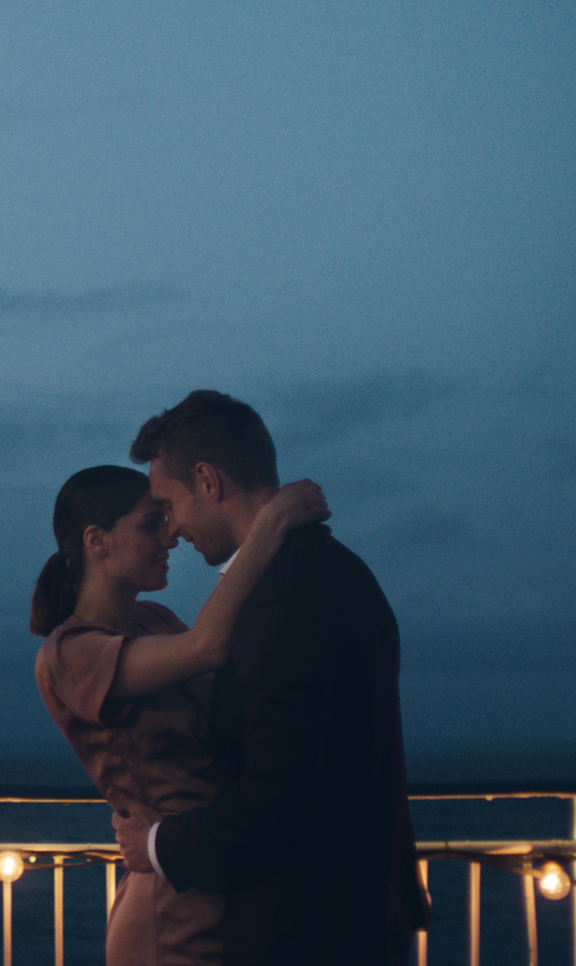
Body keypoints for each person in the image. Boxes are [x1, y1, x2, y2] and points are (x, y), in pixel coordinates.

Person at [110, 390, 431, 966]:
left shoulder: (282, 599)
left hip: (307, 931)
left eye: (169, 504)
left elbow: (278, 799)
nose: (171, 530)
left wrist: (156, 844)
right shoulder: (341, 571)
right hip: (362, 919)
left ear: (208, 481)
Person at [33, 464, 331, 966]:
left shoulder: (154, 622)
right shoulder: (72, 653)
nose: (170, 535)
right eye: (151, 524)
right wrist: (269, 525)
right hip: (171, 910)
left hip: (221, 881)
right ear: (97, 541)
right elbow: (210, 646)